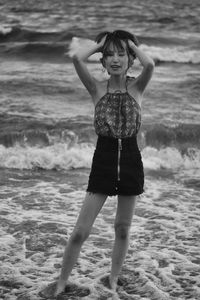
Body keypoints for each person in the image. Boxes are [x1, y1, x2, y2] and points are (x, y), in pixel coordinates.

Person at [40, 29, 154, 298]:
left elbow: (149, 64)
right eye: (109, 55)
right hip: (102, 160)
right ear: (102, 61)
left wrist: (129, 45)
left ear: (130, 59)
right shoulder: (96, 87)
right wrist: (100, 44)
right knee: (80, 231)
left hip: (130, 160)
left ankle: (114, 279)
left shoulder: (137, 86)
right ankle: (61, 282)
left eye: (121, 54)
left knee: (122, 229)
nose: (115, 59)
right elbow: (77, 59)